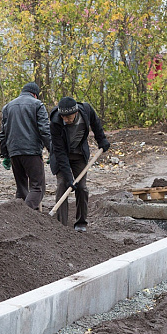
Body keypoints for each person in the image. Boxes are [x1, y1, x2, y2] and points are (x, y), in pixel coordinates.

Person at [49, 96, 110, 232]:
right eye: (63, 117)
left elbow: (96, 123)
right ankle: (61, 225)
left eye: (69, 117)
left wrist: (102, 140)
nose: (66, 120)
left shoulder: (86, 110)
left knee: (81, 187)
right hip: (61, 155)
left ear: (75, 113)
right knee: (62, 185)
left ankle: (81, 223)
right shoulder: (55, 122)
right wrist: (68, 177)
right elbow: (59, 152)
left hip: (79, 154)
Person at [0, 82, 51, 210]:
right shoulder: (37, 104)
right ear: (35, 95)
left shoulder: (8, 107)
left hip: (14, 153)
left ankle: (17, 220)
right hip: (31, 152)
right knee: (37, 187)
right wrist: (52, 150)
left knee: (21, 188)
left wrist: (5, 154)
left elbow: (3, 134)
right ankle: (24, 215)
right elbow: (44, 130)